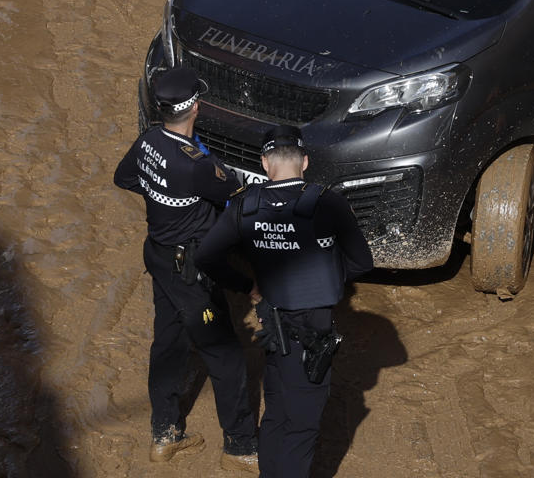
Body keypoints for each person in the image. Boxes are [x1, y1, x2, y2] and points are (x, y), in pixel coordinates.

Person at [197, 126, 373, 478]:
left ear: (264, 163)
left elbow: (206, 256)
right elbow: (361, 262)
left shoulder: (244, 205)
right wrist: (322, 276)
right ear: (304, 161)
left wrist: (248, 284)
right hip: (313, 328)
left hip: (272, 325)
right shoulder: (328, 203)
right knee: (301, 428)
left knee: (277, 414)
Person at [110, 66, 257, 466]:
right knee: (225, 356)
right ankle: (241, 446)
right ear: (195, 108)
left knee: (169, 343)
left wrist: (161, 193)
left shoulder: (148, 141)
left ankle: (165, 435)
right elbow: (239, 195)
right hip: (192, 270)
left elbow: (123, 179)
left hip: (159, 255)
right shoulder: (196, 166)